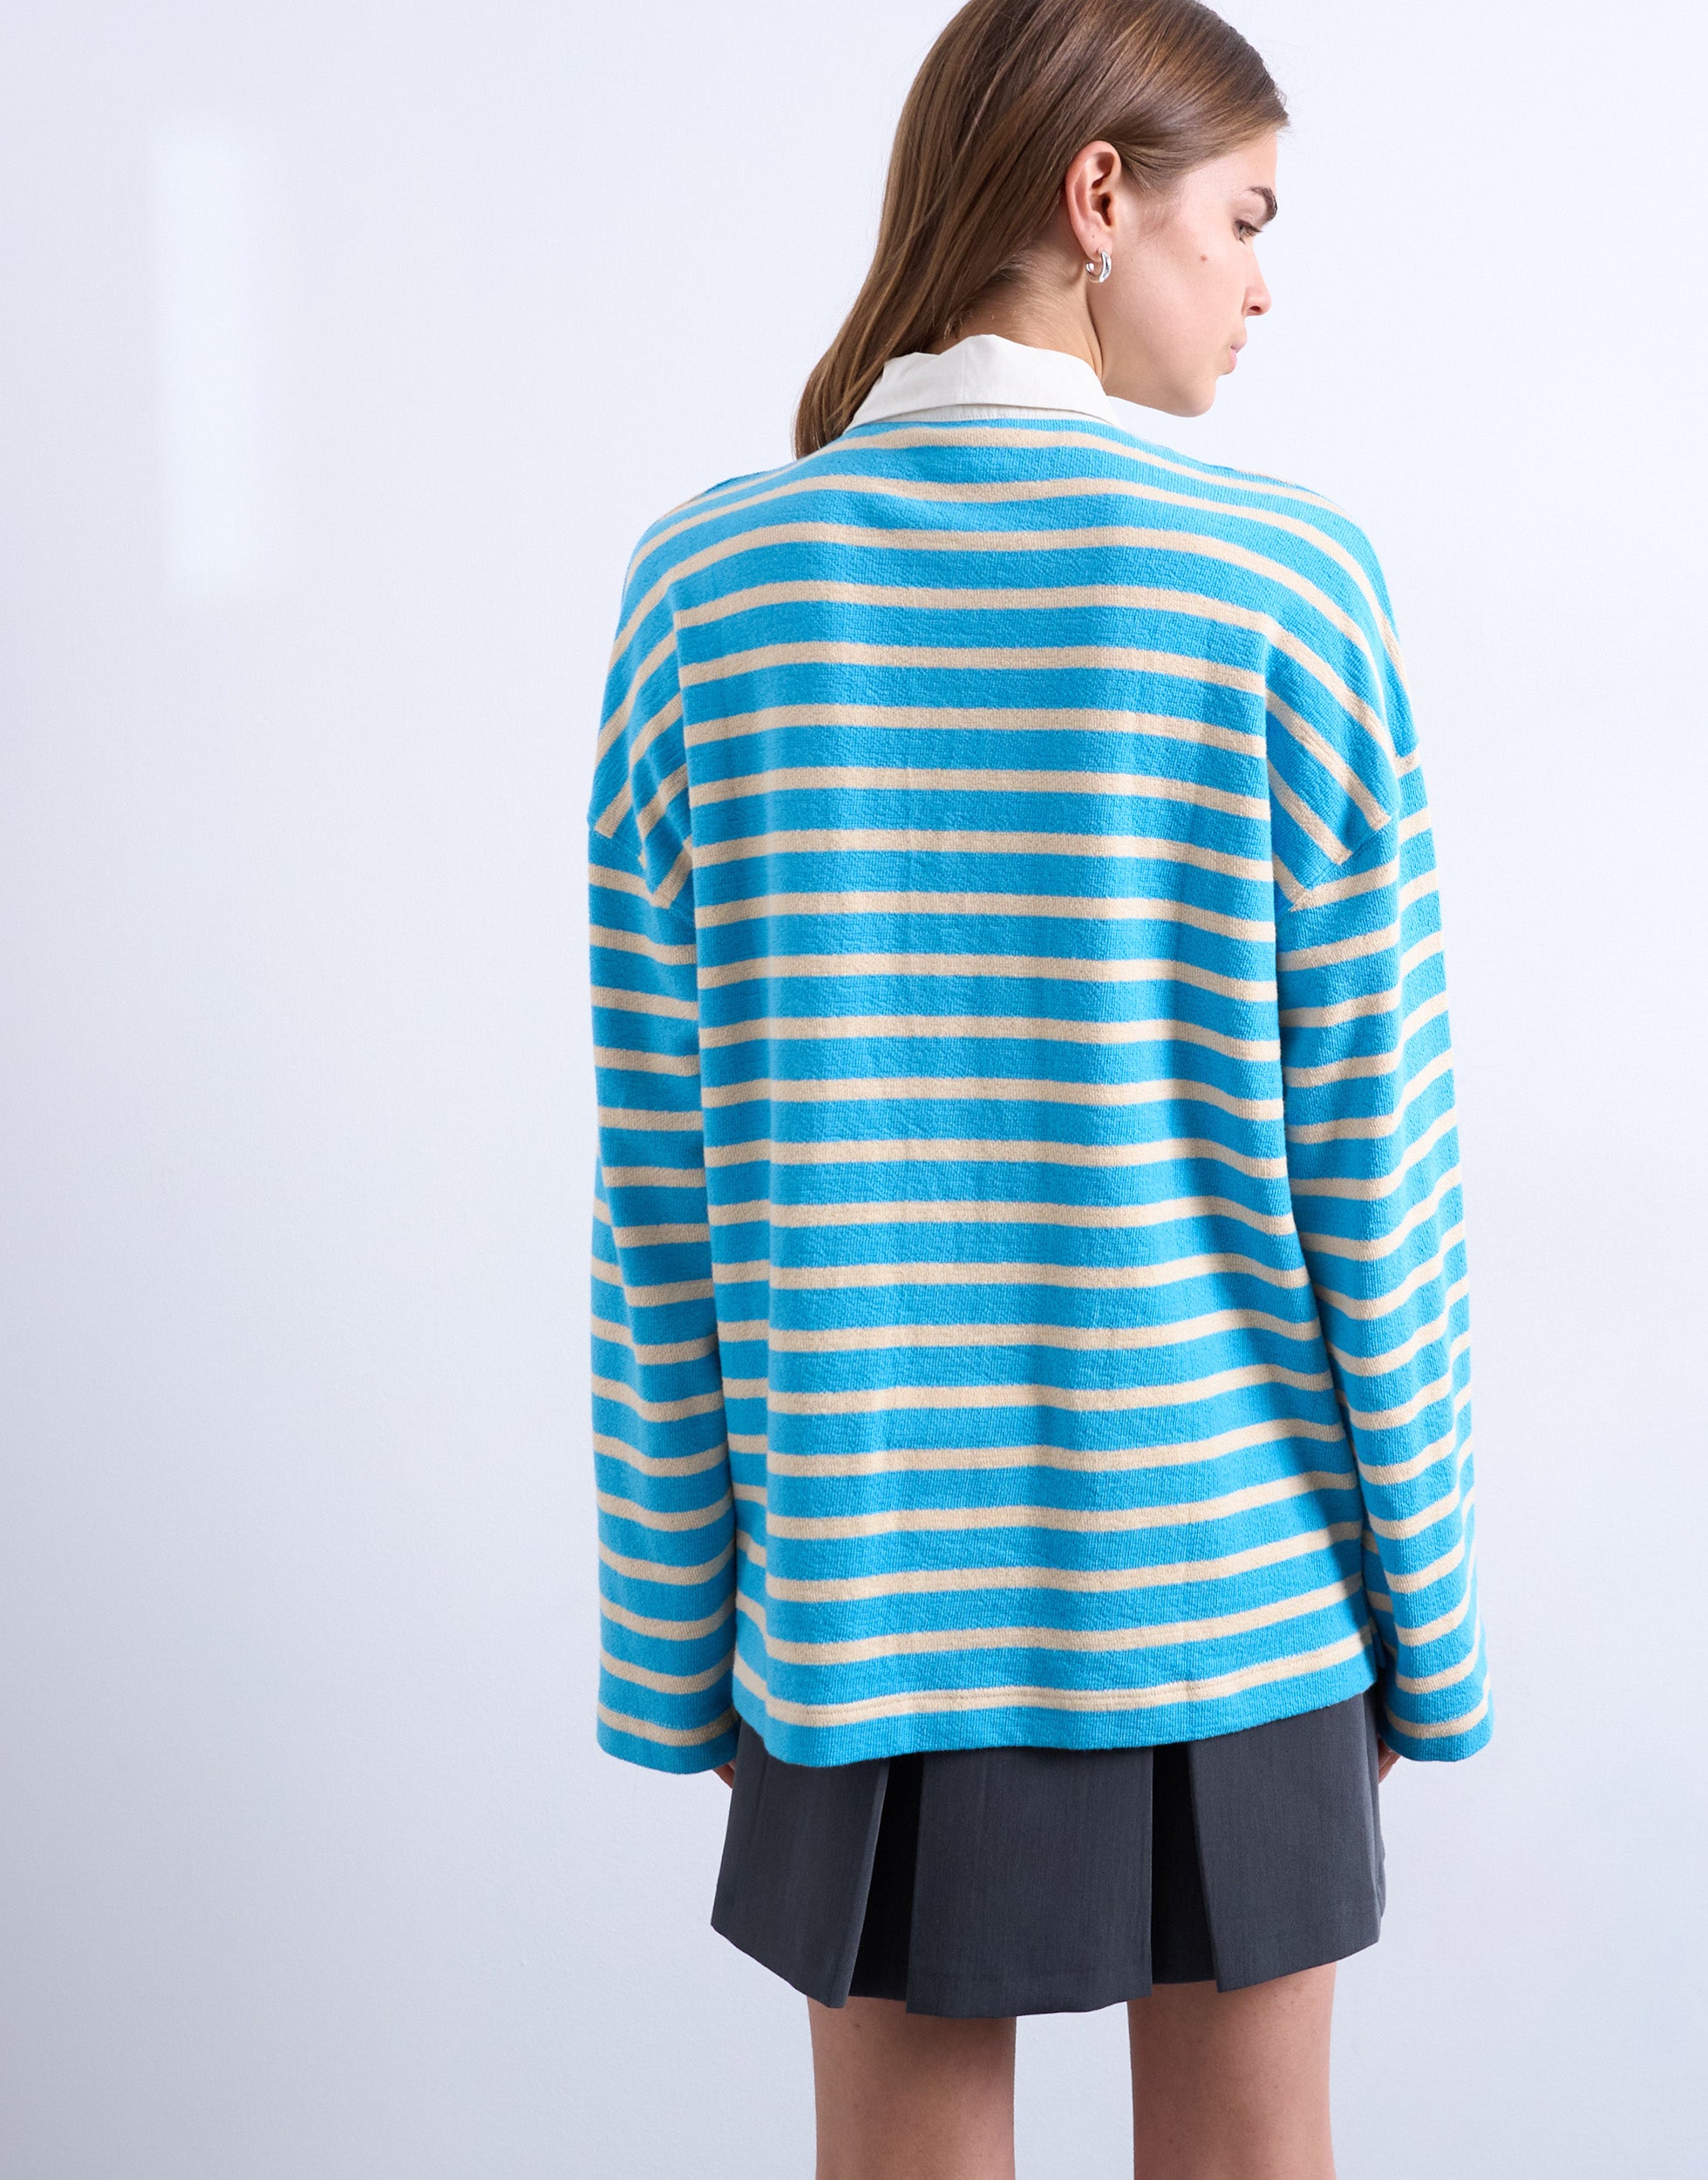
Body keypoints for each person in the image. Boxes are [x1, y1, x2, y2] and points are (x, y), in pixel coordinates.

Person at [586, 0, 1490, 2171]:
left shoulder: (706, 590)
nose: (1262, 285)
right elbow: (1376, 1168)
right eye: (1241, 219)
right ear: (1099, 196)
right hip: (1241, 1582)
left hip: (858, 1596)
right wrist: (1428, 1629)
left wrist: (677, 1637)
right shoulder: (1285, 585)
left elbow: (661, 1192)